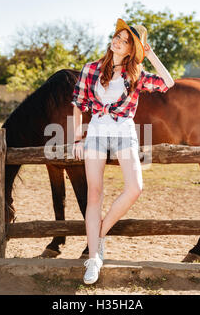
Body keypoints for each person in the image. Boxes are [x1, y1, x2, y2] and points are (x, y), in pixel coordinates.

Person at [70, 18, 175, 285]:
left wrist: (150, 55)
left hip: (123, 133)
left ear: (131, 50)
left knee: (135, 188)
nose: (117, 41)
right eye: (117, 36)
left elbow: (168, 82)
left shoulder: (136, 75)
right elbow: (78, 104)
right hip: (95, 133)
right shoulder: (90, 69)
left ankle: (100, 233)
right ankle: (94, 258)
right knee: (95, 194)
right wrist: (76, 139)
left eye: (125, 40)